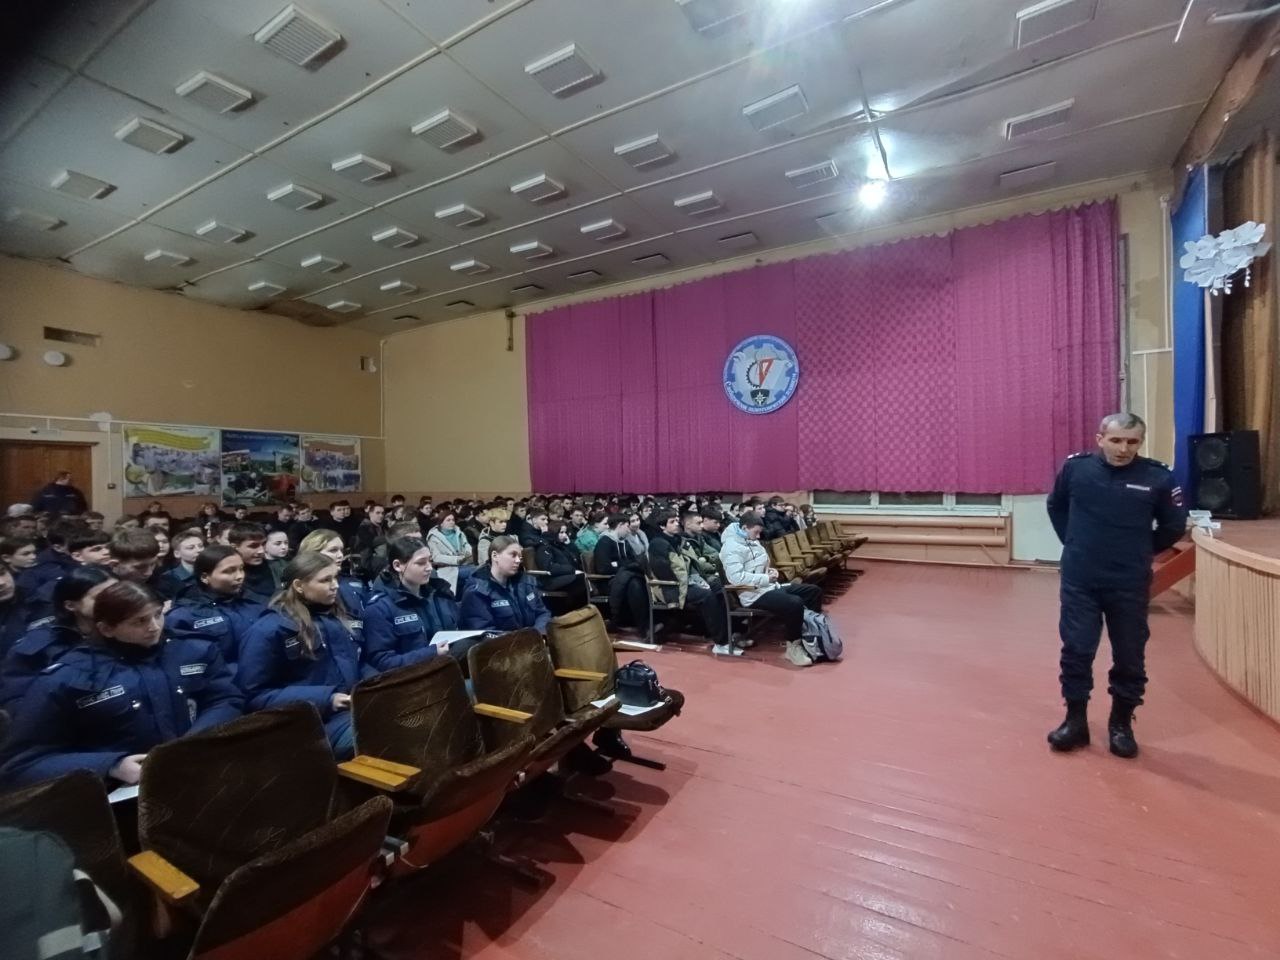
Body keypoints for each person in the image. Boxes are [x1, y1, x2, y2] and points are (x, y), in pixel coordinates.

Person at [0, 581, 243, 787]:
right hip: (121, 791)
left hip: (199, 767)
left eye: (158, 614)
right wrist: (111, 766)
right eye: (139, 621)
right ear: (106, 629)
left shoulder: (194, 649)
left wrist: (195, 740)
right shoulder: (68, 677)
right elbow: (22, 763)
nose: (154, 627)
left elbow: (225, 699)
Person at [1045, 412, 1188, 759]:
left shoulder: (1157, 477)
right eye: (1116, 440)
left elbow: (1173, 526)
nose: (1124, 449)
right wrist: (1074, 543)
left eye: (1132, 441)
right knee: (1077, 649)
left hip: (1128, 581)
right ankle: (1075, 721)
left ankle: (1121, 725)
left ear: (1140, 442)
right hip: (1081, 578)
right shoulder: (1076, 470)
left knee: (1129, 655)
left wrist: (1138, 550)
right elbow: (1056, 506)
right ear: (1100, 439)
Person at [237, 553, 368, 760]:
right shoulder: (268, 629)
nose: (335, 585)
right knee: (377, 732)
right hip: (307, 726)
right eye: (325, 580)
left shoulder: (333, 618)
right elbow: (255, 696)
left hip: (347, 712)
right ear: (299, 586)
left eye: (335, 578)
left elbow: (355, 665)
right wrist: (328, 699)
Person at [0, 566, 117, 713]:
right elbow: (19, 703)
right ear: (70, 605)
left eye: (119, 593)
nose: (116, 601)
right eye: (101, 597)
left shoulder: (134, 630)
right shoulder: (40, 646)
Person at [720, 512, 822, 667]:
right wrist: (766, 578)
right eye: (756, 532)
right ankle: (793, 647)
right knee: (794, 603)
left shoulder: (752, 540)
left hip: (768, 587)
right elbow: (737, 578)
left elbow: (761, 565)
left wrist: (771, 572)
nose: (758, 536)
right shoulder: (731, 548)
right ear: (744, 528)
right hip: (752, 594)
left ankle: (810, 636)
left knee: (813, 591)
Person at [361, 538, 463, 672]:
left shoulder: (440, 594)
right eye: (421, 563)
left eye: (430, 560)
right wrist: (431, 653)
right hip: (413, 680)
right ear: (398, 566)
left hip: (450, 671)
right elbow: (382, 662)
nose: (429, 567)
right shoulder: (380, 608)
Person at [165, 545, 265, 672]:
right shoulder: (184, 615)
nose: (239, 576)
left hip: (259, 674)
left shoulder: (255, 603)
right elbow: (185, 664)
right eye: (229, 571)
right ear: (205, 577)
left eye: (241, 569)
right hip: (217, 680)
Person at [650, 511, 734, 655]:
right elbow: (665, 572)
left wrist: (699, 579)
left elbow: (693, 564)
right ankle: (721, 642)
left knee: (720, 588)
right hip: (672, 587)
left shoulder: (680, 540)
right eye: (672, 522)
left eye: (677, 520)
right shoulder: (657, 544)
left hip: (689, 581)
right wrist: (693, 582)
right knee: (707, 595)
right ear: (662, 526)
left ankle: (730, 632)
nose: (677, 523)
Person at [459, 536, 551, 634]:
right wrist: (523, 640)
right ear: (495, 556)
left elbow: (543, 613)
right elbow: (485, 632)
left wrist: (536, 634)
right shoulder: (477, 591)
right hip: (501, 643)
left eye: (520, 557)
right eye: (513, 555)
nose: (518, 560)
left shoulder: (526, 583)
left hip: (532, 639)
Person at [594, 515, 651, 633]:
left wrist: (619, 565)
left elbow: (633, 561)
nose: (629, 530)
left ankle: (651, 621)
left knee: (640, 581)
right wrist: (623, 566)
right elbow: (603, 568)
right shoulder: (604, 542)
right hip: (607, 581)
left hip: (624, 578)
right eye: (627, 526)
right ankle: (644, 626)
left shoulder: (624, 542)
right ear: (620, 525)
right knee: (634, 584)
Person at [299, 529, 367, 612]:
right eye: (333, 550)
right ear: (313, 554)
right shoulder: (305, 586)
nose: (340, 555)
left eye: (341, 550)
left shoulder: (354, 581)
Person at [536, 521, 589, 614]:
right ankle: (575, 612)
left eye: (565, 532)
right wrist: (572, 570)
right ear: (554, 532)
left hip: (563, 576)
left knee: (581, 578)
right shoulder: (544, 546)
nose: (565, 535)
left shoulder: (560, 546)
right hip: (550, 579)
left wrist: (569, 545)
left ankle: (579, 612)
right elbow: (549, 567)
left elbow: (575, 560)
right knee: (579, 579)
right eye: (561, 532)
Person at [426, 510, 476, 595]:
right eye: (448, 520)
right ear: (441, 523)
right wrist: (456, 559)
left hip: (464, 563)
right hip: (447, 568)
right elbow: (436, 557)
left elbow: (466, 545)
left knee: (478, 571)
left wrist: (468, 553)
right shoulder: (433, 537)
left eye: (453, 520)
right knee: (474, 571)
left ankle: (470, 597)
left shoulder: (458, 532)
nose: (452, 522)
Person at [228, 521, 274, 603]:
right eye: (253, 546)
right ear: (234, 547)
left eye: (263, 544)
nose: (261, 551)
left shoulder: (272, 566)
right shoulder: (225, 574)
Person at [156, 527, 204, 601]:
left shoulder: (211, 573)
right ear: (177, 553)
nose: (199, 550)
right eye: (191, 548)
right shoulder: (168, 578)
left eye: (201, 546)